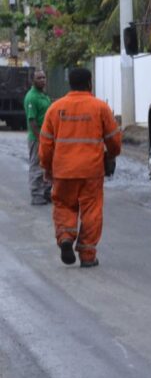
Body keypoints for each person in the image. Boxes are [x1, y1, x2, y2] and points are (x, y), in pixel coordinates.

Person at [38, 67, 122, 268]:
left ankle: (66, 237)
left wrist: (47, 168)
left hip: (63, 171)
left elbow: (46, 144)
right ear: (90, 83)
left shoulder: (55, 108)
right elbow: (114, 140)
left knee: (64, 205)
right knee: (91, 211)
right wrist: (111, 155)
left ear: (70, 84)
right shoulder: (100, 107)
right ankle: (87, 255)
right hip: (91, 172)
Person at [24, 70, 52, 205]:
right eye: (39, 78)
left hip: (47, 138)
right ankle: (36, 195)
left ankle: (46, 193)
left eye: (44, 77)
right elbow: (32, 122)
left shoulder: (43, 95)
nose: (42, 80)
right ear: (33, 80)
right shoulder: (32, 97)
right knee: (37, 166)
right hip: (37, 139)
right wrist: (40, 140)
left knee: (47, 165)